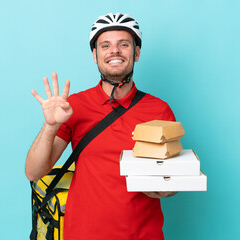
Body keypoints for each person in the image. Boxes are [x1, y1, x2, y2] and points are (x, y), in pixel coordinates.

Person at [25, 13, 177, 240]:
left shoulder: (159, 110)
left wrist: (167, 188)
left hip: (143, 235)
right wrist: (50, 125)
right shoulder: (74, 106)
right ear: (95, 55)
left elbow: (172, 176)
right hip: (83, 234)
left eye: (123, 44)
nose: (114, 51)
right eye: (105, 45)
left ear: (136, 52)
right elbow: (34, 172)